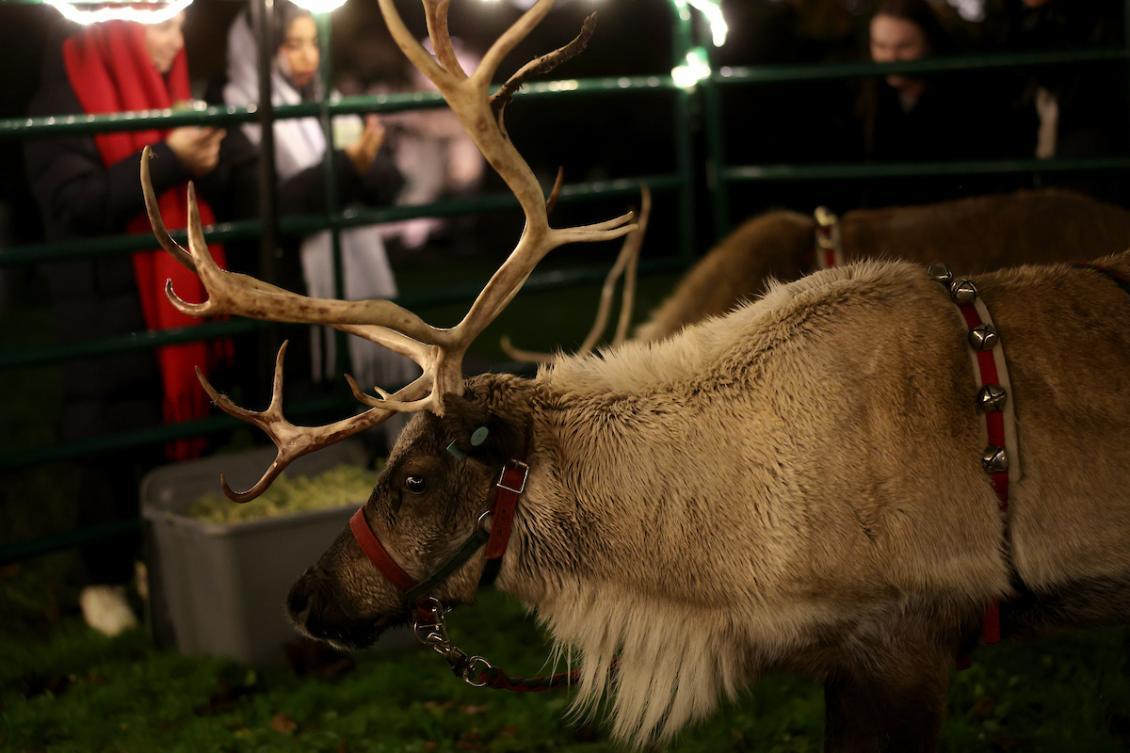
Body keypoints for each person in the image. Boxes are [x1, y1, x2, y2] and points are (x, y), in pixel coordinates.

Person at [23, 13, 233, 635]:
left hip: (163, 296)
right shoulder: (62, 97)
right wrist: (171, 157)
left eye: (184, 24)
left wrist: (207, 153)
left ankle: (155, 557)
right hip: (107, 305)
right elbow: (73, 202)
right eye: (165, 24)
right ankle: (103, 578)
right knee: (112, 435)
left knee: (165, 432)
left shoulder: (167, 88)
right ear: (121, 29)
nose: (177, 40)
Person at [219, 2, 414, 407]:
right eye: (293, 45)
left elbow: (390, 181)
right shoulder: (238, 113)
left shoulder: (326, 101)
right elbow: (271, 210)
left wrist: (362, 166)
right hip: (285, 299)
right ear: (260, 49)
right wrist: (348, 167)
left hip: (333, 297)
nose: (309, 56)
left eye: (313, 43)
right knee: (301, 406)